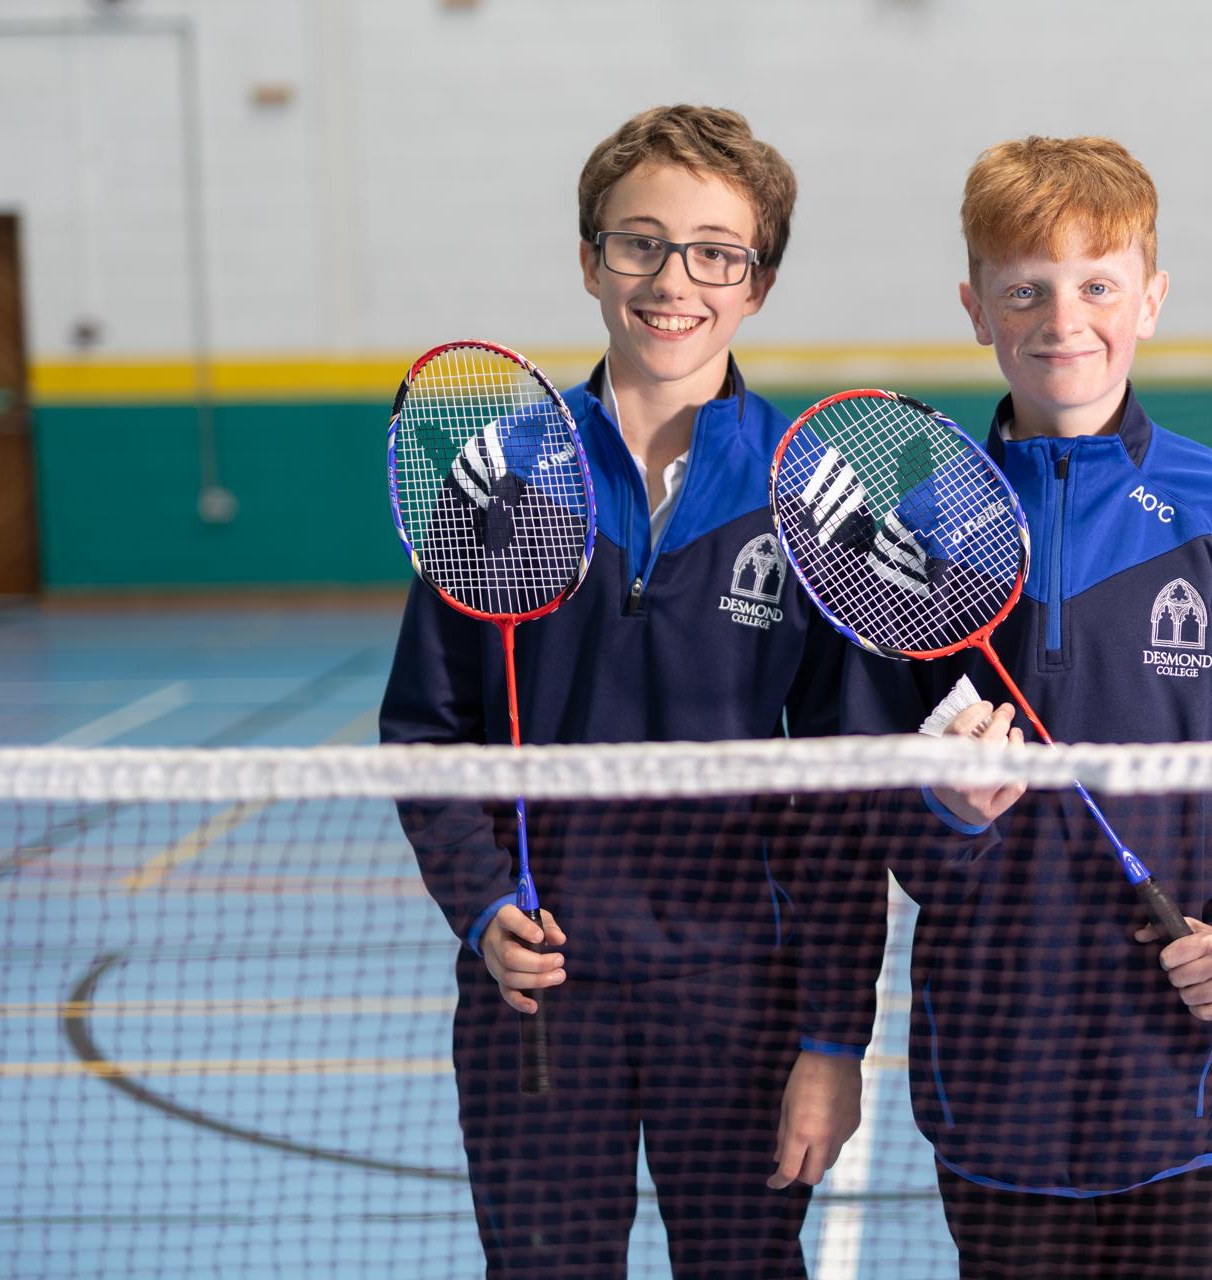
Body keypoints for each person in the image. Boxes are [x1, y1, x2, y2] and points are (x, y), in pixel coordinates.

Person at [804, 135, 1212, 1279]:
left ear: (1150, 299)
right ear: (977, 309)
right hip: (995, 1081)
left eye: (1098, 286)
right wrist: (943, 810)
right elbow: (855, 806)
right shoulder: (911, 536)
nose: (1064, 319)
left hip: (1189, 1080)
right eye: (1026, 290)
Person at [379, 104, 856, 1279]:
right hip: (538, 988)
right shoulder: (503, 476)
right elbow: (429, 729)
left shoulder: (807, 491)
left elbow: (848, 795)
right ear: (591, 260)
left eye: (715, 252)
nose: (672, 280)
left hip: (739, 994)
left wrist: (834, 1036)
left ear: (758, 283)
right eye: (640, 243)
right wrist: (483, 905)